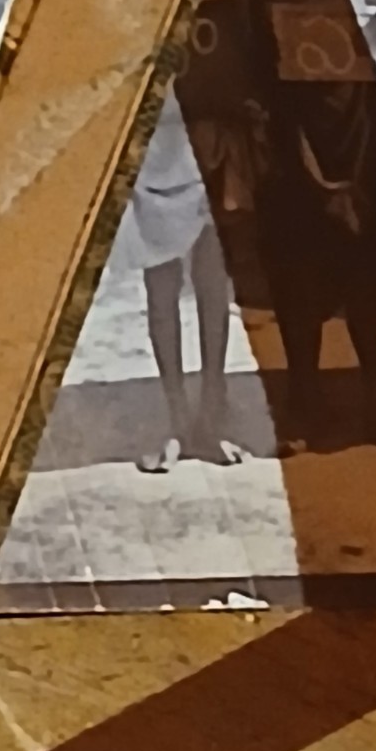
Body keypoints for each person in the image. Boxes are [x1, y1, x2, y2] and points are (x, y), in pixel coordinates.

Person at [109, 86, 245, 474]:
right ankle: (177, 423)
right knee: (161, 291)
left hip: (208, 147)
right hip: (150, 155)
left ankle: (212, 420)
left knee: (213, 288)